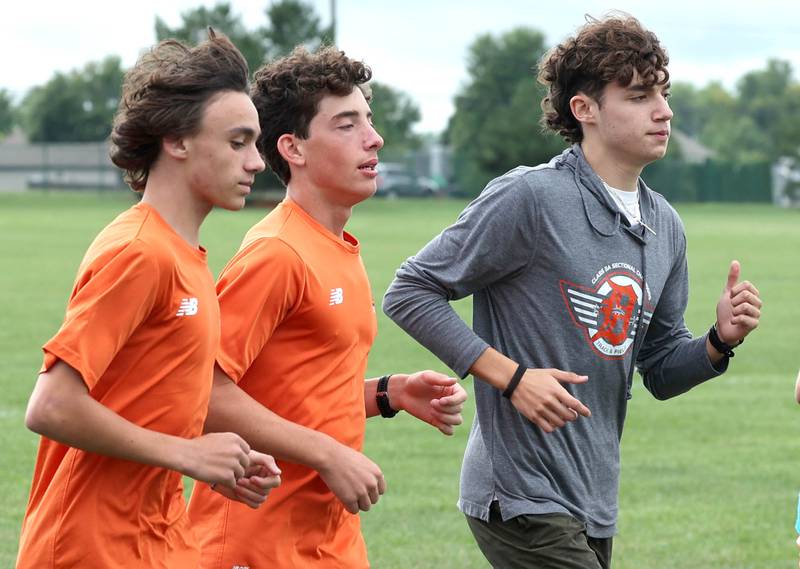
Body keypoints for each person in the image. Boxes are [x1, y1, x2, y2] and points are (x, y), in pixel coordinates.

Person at [383, 14, 762, 569]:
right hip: (518, 495)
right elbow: (410, 290)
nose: (663, 111)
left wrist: (717, 343)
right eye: (637, 95)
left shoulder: (666, 226)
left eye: (663, 93)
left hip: (591, 496)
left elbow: (658, 370)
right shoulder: (530, 197)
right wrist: (510, 378)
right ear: (584, 109)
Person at [187, 45, 468, 569]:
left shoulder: (335, 245)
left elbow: (294, 393)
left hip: (329, 538)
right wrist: (328, 453)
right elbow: (201, 392)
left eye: (369, 118)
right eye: (346, 124)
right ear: (293, 148)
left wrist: (391, 393)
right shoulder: (277, 253)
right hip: (253, 542)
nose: (374, 137)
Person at [16, 31, 281, 569]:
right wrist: (188, 454)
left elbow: (155, 400)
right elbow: (51, 405)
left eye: (255, 143)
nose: (257, 162)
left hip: (156, 539)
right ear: (176, 141)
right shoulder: (141, 252)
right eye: (238, 142)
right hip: (87, 547)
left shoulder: (186, 255)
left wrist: (220, 460)